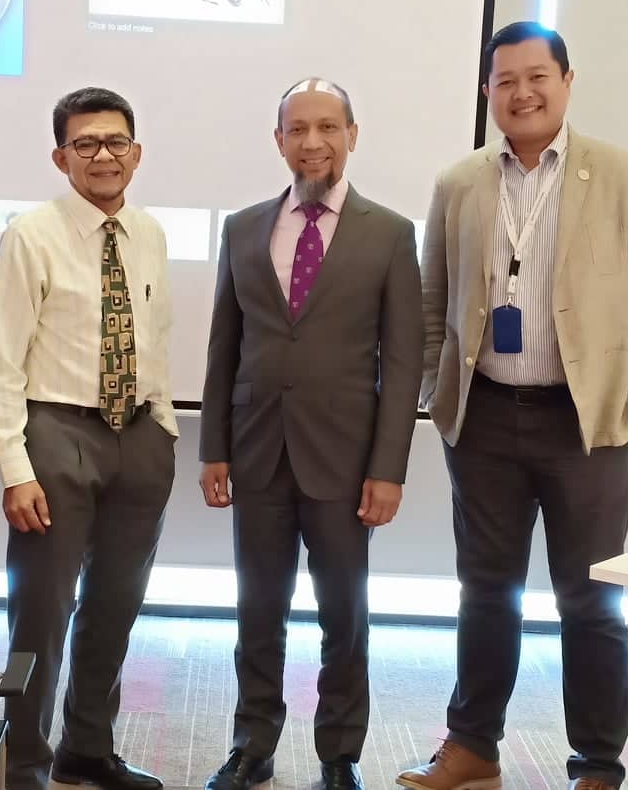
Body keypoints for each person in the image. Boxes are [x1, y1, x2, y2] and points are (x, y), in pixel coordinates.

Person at [400, 22, 628, 790]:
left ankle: (597, 764)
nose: (522, 93)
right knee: (485, 593)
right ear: (487, 92)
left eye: (538, 77)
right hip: (485, 420)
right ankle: (472, 747)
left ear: (566, 82)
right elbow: (432, 302)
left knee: (589, 601)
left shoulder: (623, 174)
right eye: (506, 81)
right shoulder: (459, 182)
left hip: (584, 425)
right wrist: (435, 392)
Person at [199, 78, 422, 790]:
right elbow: (224, 347)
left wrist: (388, 468)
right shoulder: (243, 228)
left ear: (353, 135)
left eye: (328, 127)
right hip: (258, 451)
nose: (313, 142)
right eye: (297, 129)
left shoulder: (390, 234)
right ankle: (252, 744)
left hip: (345, 461)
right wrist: (214, 447)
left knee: (343, 616)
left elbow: (403, 362)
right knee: (257, 611)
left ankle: (339, 755)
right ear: (279, 140)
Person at [0, 87, 178, 790]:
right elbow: (2, 361)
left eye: (116, 142)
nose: (103, 155)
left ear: (136, 153)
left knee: (113, 608)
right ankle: (24, 765)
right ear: (60, 156)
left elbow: (155, 337)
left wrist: (162, 426)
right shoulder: (30, 234)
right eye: (86, 143)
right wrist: (15, 466)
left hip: (139, 438)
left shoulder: (150, 234)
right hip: (56, 434)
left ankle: (87, 749)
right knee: (40, 615)